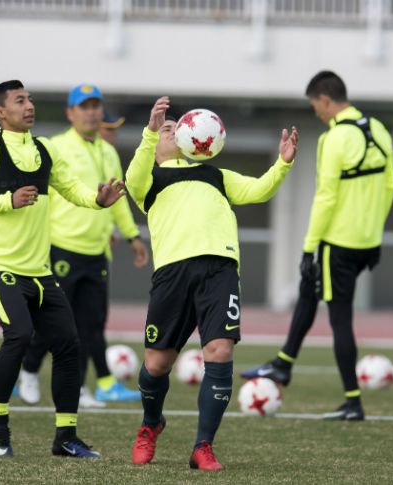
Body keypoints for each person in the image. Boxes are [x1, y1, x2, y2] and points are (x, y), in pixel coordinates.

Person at [0, 80, 126, 459]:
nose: (29, 105)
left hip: (39, 270)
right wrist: (7, 200)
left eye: (29, 99)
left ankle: (65, 437)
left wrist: (98, 200)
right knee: (20, 334)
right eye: (19, 100)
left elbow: (72, 189)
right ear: (1, 112)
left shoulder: (45, 149)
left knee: (69, 345)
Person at [126, 96, 298, 471]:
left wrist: (282, 164)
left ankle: (203, 445)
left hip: (220, 270)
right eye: (169, 130)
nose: (175, 132)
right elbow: (132, 179)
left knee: (219, 352)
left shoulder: (215, 175)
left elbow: (257, 190)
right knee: (156, 364)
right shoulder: (150, 180)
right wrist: (151, 131)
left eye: (176, 127)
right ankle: (151, 423)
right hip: (172, 274)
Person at [240, 70, 393, 421]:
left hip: (336, 241)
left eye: (315, 106)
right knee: (308, 291)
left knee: (340, 317)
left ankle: (352, 401)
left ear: (325, 99)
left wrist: (309, 248)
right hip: (366, 241)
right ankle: (283, 364)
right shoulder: (380, 130)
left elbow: (325, 197)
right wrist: (374, 234)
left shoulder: (335, 137)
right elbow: (390, 186)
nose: (316, 113)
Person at [17, 84, 149, 409]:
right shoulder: (55, 146)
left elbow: (118, 201)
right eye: (84, 106)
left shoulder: (107, 152)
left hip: (96, 255)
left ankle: (76, 389)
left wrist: (132, 236)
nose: (91, 112)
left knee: (90, 327)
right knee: (56, 324)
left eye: (95, 106)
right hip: (61, 249)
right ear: (70, 113)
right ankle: (29, 371)